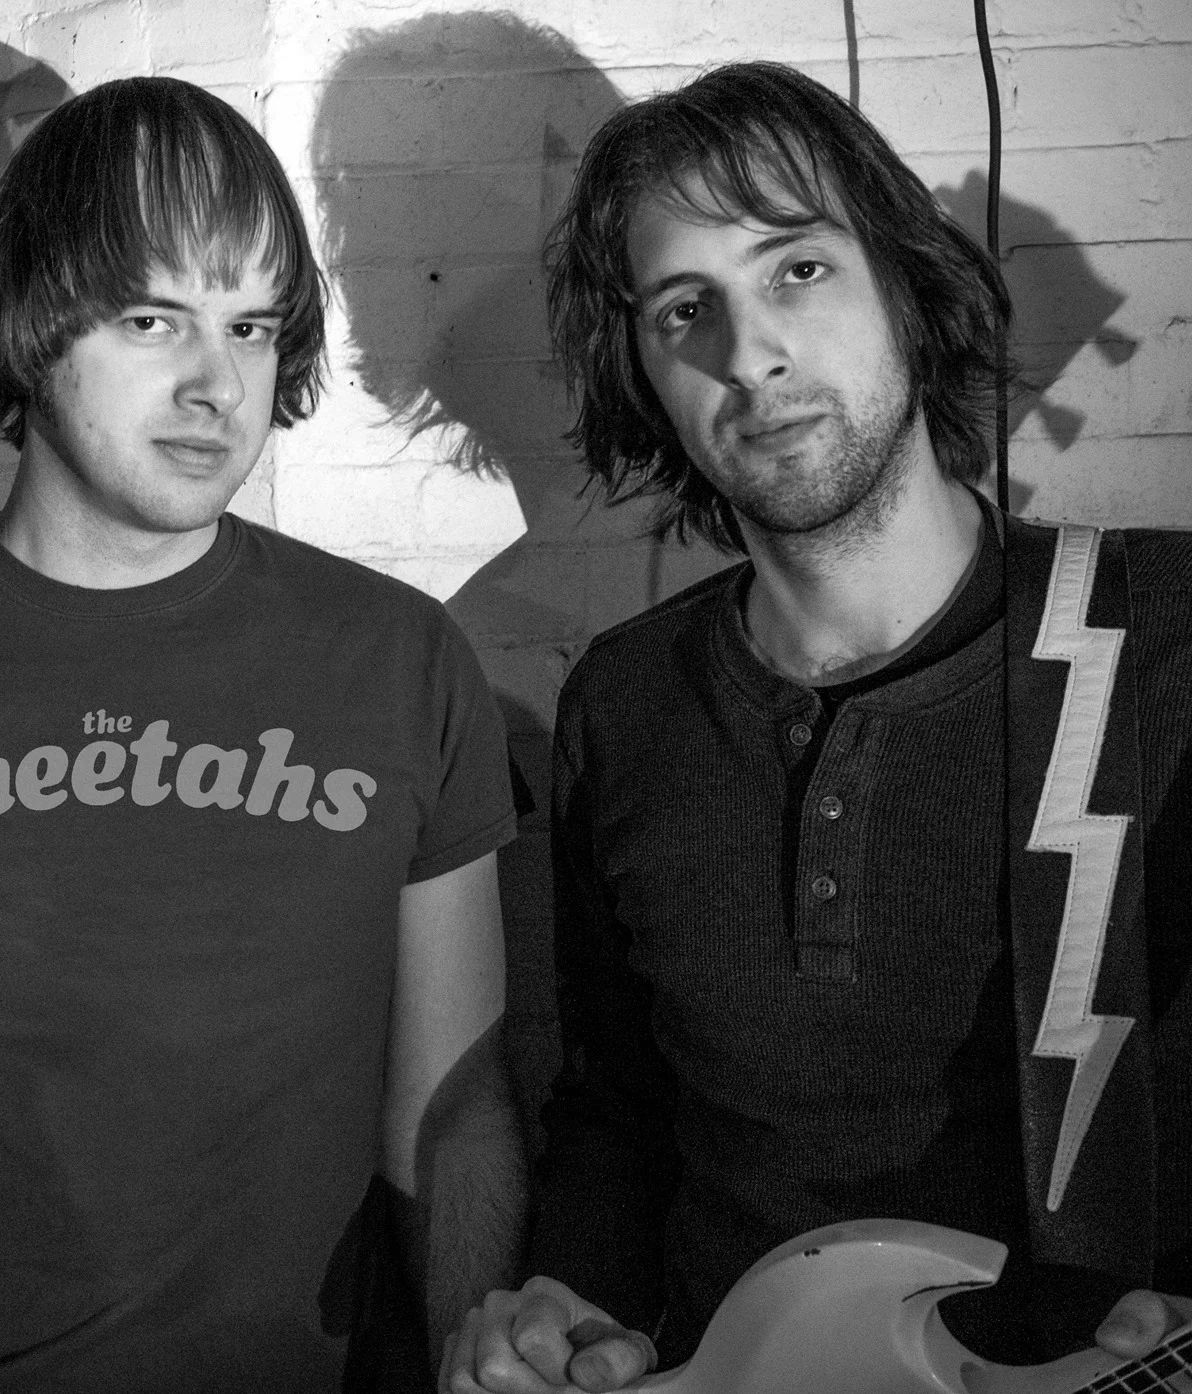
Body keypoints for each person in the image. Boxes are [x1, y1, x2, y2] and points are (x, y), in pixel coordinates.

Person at [0, 77, 524, 1392]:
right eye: (154, 318)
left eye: (251, 327)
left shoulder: (397, 660)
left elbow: (453, 1106)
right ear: (33, 322)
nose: (216, 384)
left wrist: (471, 1350)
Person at [440, 62, 1192, 1392]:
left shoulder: (1165, 642)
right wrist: (569, 1302)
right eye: (684, 309)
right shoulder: (620, 700)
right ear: (641, 373)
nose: (749, 355)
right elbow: (620, 1113)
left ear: (906, 282)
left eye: (796, 269)